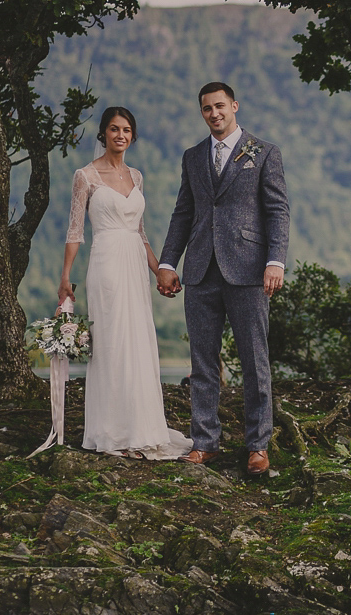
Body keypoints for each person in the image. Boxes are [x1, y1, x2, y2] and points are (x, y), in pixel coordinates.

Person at [156, 82, 290, 477]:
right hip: (199, 271)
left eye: (219, 106)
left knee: (254, 360)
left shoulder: (264, 152)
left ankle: (258, 445)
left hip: (249, 269)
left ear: (234, 105)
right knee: (202, 362)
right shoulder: (193, 157)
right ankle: (205, 443)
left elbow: (278, 211)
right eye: (206, 109)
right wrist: (168, 261)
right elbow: (184, 213)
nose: (214, 113)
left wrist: (275, 261)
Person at [58, 106, 192, 460]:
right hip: (105, 263)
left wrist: (160, 270)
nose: (121, 135)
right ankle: (111, 430)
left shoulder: (137, 176)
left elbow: (141, 233)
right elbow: (75, 231)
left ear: (133, 136)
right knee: (111, 341)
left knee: (138, 339)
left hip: (134, 262)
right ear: (103, 133)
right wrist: (65, 278)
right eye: (114, 129)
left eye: (127, 129)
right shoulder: (85, 176)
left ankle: (142, 427)